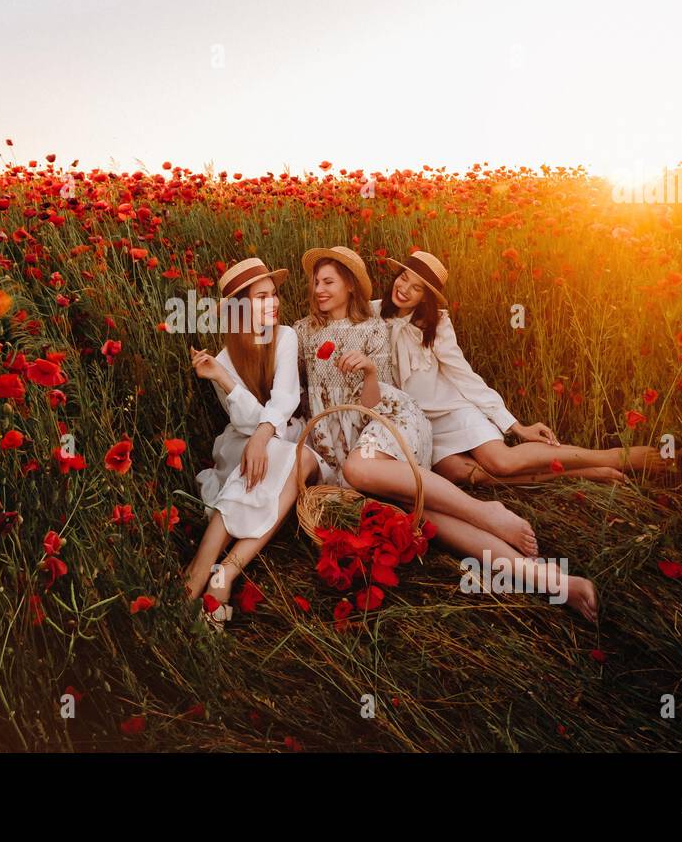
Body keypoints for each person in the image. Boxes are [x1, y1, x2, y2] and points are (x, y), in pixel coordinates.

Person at [291, 246, 542, 558]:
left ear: (350, 284)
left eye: (328, 282)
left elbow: (376, 403)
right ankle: (536, 573)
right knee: (417, 508)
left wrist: (369, 371)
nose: (319, 290)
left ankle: (485, 511)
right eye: (315, 283)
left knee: (362, 469)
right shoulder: (301, 331)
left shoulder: (373, 327)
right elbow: (289, 383)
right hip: (340, 438)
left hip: (387, 420)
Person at [372, 251, 663, 486]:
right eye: (404, 278)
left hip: (451, 411)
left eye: (417, 287)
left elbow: (464, 375)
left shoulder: (437, 325)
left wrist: (516, 427)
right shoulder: (372, 313)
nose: (405, 289)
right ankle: (581, 473)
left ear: (426, 296)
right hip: (416, 424)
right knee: (467, 475)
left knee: (502, 462)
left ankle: (611, 457)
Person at [184, 257, 321, 632]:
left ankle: (222, 574)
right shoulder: (224, 358)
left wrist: (262, 438)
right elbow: (243, 421)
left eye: (274, 294)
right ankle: (201, 570)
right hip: (239, 444)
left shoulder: (286, 336)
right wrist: (225, 380)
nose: (273, 303)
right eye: (262, 297)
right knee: (268, 461)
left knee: (300, 457)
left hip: (277, 436)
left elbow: (285, 399)